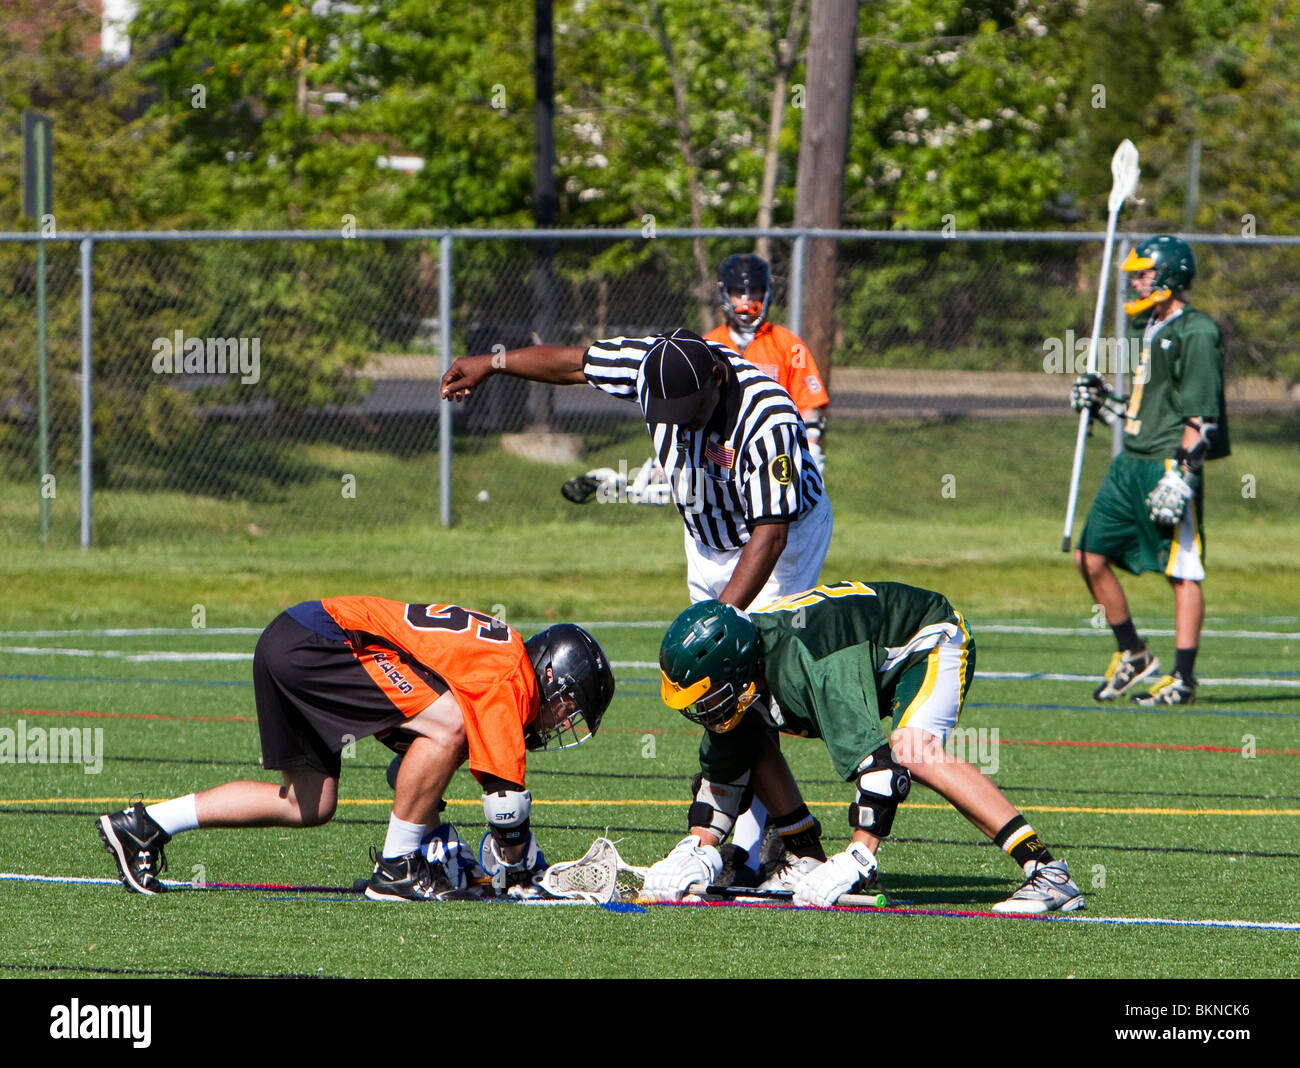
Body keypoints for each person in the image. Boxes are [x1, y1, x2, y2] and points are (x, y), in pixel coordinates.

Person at [442, 328, 835, 881]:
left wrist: (715, 621)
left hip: (780, 542)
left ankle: (765, 844)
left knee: (745, 681)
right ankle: (750, 841)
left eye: (691, 414)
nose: (680, 427)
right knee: (720, 693)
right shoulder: (652, 366)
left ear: (716, 382)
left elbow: (769, 533)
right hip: (708, 536)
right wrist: (492, 363)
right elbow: (572, 363)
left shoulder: (768, 419)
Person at [95, 597, 614, 901]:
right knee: (450, 728)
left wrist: (440, 835)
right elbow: (504, 800)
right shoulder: (512, 675)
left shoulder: (497, 656)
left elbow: (410, 766)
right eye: (568, 705)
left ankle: (145, 824)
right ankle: (395, 869)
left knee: (307, 803)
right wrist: (523, 868)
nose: (562, 720)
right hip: (321, 641)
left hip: (293, 637)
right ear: (550, 672)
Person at [645, 581, 1085, 914]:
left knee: (913, 749)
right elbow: (723, 773)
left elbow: (883, 773)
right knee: (746, 732)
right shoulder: (749, 667)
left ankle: (1046, 870)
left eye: (708, 697)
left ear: (735, 668)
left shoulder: (811, 664)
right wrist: (696, 850)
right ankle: (802, 854)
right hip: (851, 652)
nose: (703, 712)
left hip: (927, 638)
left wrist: (858, 857)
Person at [1072, 235, 1230, 706]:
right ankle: (1134, 654)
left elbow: (1202, 418)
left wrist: (1182, 473)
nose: (1137, 282)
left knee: (1182, 570)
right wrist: (1105, 404)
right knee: (1089, 557)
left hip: (1166, 462)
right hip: (1130, 463)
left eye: (1144, 273)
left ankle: (1183, 678)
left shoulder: (1196, 331)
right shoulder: (1153, 326)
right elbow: (1146, 410)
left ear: (1169, 276)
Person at [704, 253, 829, 471]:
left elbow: (809, 405)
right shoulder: (708, 345)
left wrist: (812, 447)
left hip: (775, 454)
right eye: (738, 292)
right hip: (720, 456)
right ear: (725, 294)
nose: (747, 300)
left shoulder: (788, 344)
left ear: (765, 292)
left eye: (753, 290)